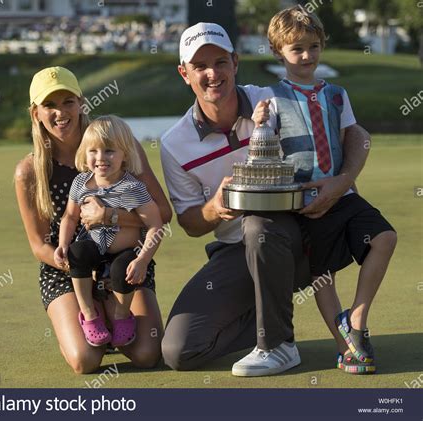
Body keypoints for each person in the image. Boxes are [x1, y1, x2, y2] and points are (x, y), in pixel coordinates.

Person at [160, 22, 372, 376]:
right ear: (185, 73)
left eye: (220, 62)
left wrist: (343, 182)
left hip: (303, 235)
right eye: (200, 66)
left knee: (259, 224)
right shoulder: (173, 143)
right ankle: (265, 316)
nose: (212, 74)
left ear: (235, 62)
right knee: (180, 350)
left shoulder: (273, 98)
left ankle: (278, 344)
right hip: (236, 252)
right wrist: (215, 207)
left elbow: (357, 135)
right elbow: (190, 223)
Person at [252, 5, 396, 374]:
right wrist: (258, 124)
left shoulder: (336, 94)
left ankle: (357, 322)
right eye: (297, 48)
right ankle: (347, 348)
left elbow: (348, 141)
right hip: (304, 201)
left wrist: (346, 186)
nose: (306, 55)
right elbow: (260, 148)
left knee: (384, 237)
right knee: (323, 275)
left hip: (342, 195)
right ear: (278, 51)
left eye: (313, 46)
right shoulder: (268, 97)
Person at [15, 66, 172, 373]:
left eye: (68, 102)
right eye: (50, 105)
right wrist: (80, 269)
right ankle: (91, 314)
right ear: (36, 113)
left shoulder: (121, 146)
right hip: (69, 269)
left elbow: (162, 214)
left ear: (82, 103)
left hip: (125, 261)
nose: (61, 113)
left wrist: (111, 216)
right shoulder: (29, 171)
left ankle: (110, 315)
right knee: (86, 360)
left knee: (145, 354)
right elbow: (39, 245)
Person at [54, 115, 163, 348]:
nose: (101, 158)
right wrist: (62, 244)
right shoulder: (81, 183)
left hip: (123, 251)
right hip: (94, 246)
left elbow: (156, 224)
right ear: (85, 153)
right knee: (77, 252)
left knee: (122, 269)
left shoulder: (133, 187)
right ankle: (89, 314)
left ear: (125, 154)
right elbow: (70, 217)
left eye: (110, 151)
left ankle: (122, 315)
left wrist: (143, 259)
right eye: (93, 151)